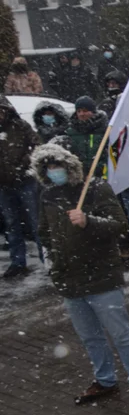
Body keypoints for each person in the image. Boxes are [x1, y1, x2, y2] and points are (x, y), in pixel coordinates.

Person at [33, 141, 129, 409]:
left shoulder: (96, 188)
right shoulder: (48, 195)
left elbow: (119, 226)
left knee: (120, 332)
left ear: (69, 165)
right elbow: (44, 232)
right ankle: (105, 380)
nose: (54, 171)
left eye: (57, 165)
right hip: (70, 278)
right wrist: (53, 260)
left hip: (101, 275)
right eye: (48, 167)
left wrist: (88, 221)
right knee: (90, 336)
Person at [0, 95, 40, 279]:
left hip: (25, 180)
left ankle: (46, 258)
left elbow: (35, 145)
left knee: (35, 221)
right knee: (11, 224)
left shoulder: (20, 126)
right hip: (3, 184)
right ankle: (17, 262)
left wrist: (22, 165)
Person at [66, 97, 109, 179]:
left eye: (85, 111)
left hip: (102, 175)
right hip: (80, 177)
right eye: (79, 111)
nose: (82, 114)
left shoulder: (104, 129)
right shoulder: (71, 131)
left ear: (93, 111)